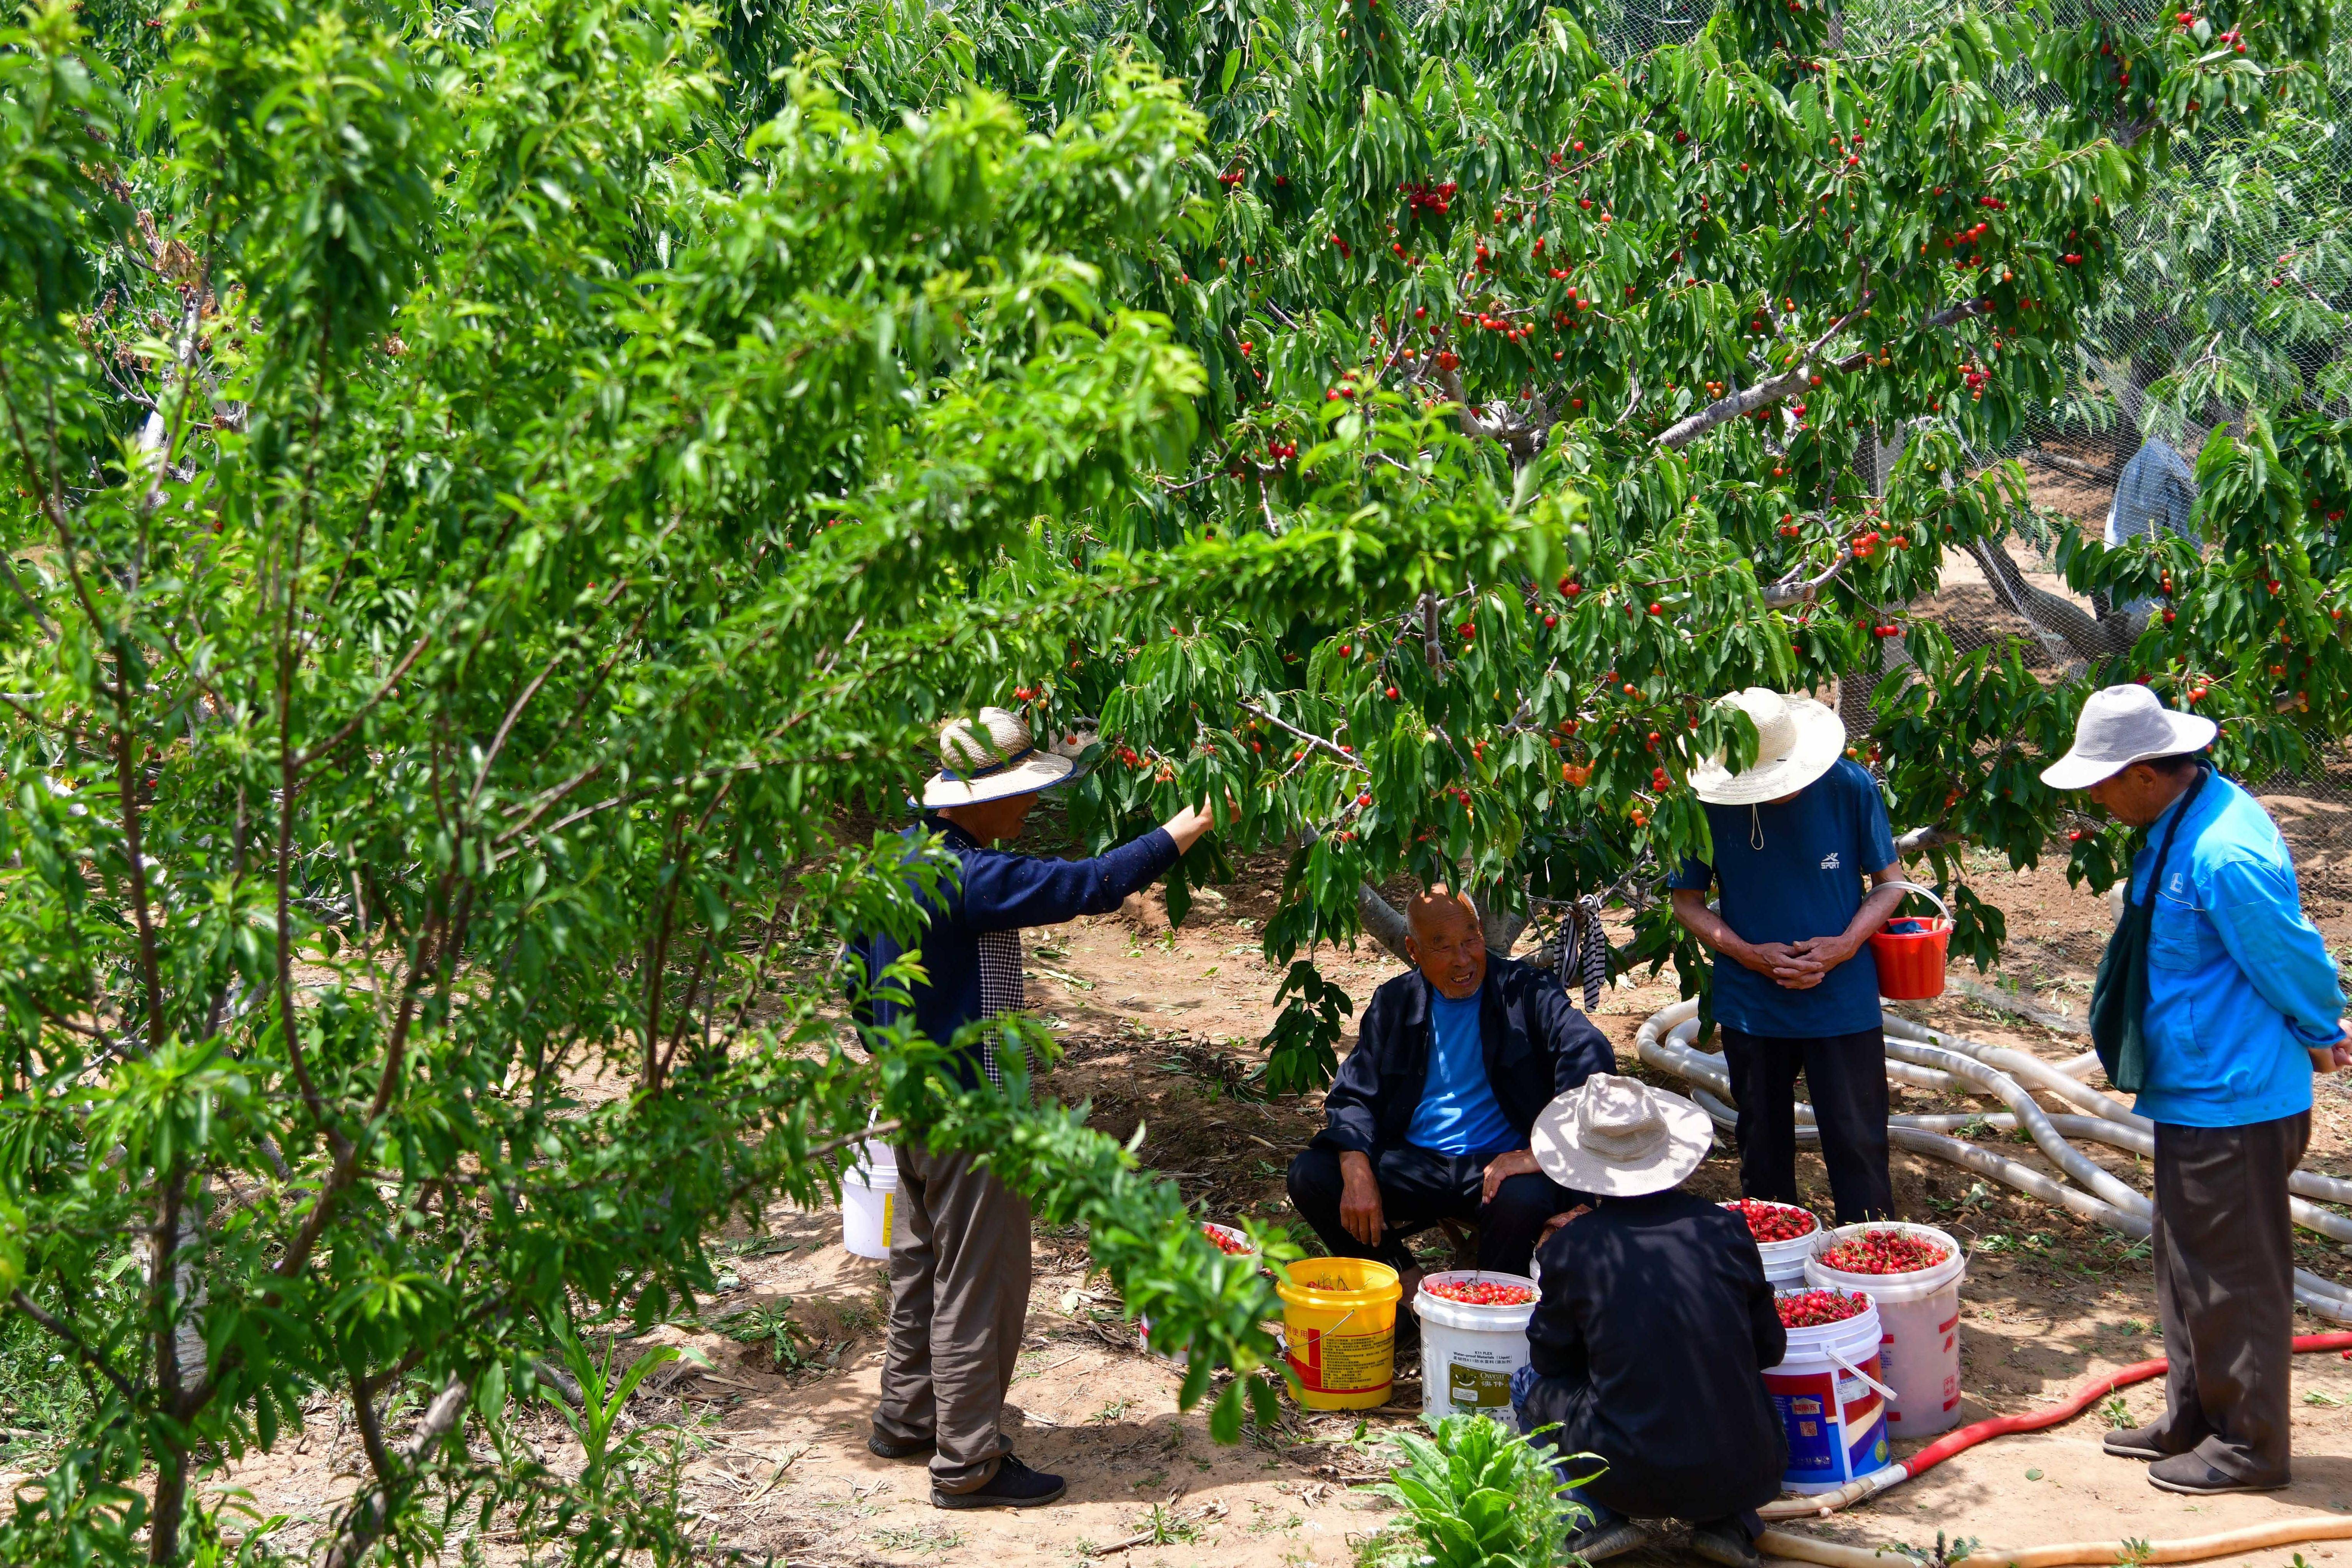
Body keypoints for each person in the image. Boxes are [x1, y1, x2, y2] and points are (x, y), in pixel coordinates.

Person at [848, 706, 1218, 1511]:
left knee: (922, 1265)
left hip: (908, 1101)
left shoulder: (893, 863)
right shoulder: (968, 875)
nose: (1028, 810)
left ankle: (908, 1416)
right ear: (977, 798)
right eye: (1021, 795)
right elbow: (1090, 885)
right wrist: (1187, 825)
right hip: (974, 1114)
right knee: (981, 1281)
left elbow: (855, 979)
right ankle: (970, 1462)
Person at [2043, 683, 2349, 1496]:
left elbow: (2287, 953)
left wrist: (2324, 1031)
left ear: (2146, 772)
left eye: (2102, 782)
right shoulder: (2177, 819)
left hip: (2235, 1094)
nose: (2095, 798)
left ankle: (2249, 1444)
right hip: (2195, 1086)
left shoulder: (2223, 849)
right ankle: (2196, 1414)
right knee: (2185, 1266)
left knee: (2235, 1277)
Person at [1287, 888, 1613, 1310]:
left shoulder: (1523, 990)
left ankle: (1485, 1312)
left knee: (1525, 1197)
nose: (1463, 960)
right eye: (1442, 947)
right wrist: (1356, 1164)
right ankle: (1402, 1282)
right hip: (1414, 1162)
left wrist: (1543, 1151)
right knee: (1313, 1174)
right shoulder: (1396, 1002)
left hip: (1497, 1168)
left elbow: (1590, 1050)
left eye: (1471, 940)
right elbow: (1353, 1092)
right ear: (1414, 950)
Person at [1511, 1074, 1787, 1568]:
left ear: (1585, 1164)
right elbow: (1769, 1349)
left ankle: (1589, 1519)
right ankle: (1729, 1522)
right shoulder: (1727, 1229)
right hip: (1742, 1463)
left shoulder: (1576, 1248)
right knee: (1732, 1376)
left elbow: (1548, 1358)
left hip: (1629, 1468)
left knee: (1525, 1384)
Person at [1666, 687, 1905, 1223]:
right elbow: (1687, 901)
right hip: (1753, 1000)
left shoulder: (1849, 785)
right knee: (1763, 1147)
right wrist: (1748, 954)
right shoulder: (1706, 802)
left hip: (1840, 998)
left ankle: (1867, 1257)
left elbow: (1890, 885)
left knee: (1859, 1143)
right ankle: (1773, 1279)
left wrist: (1844, 946)